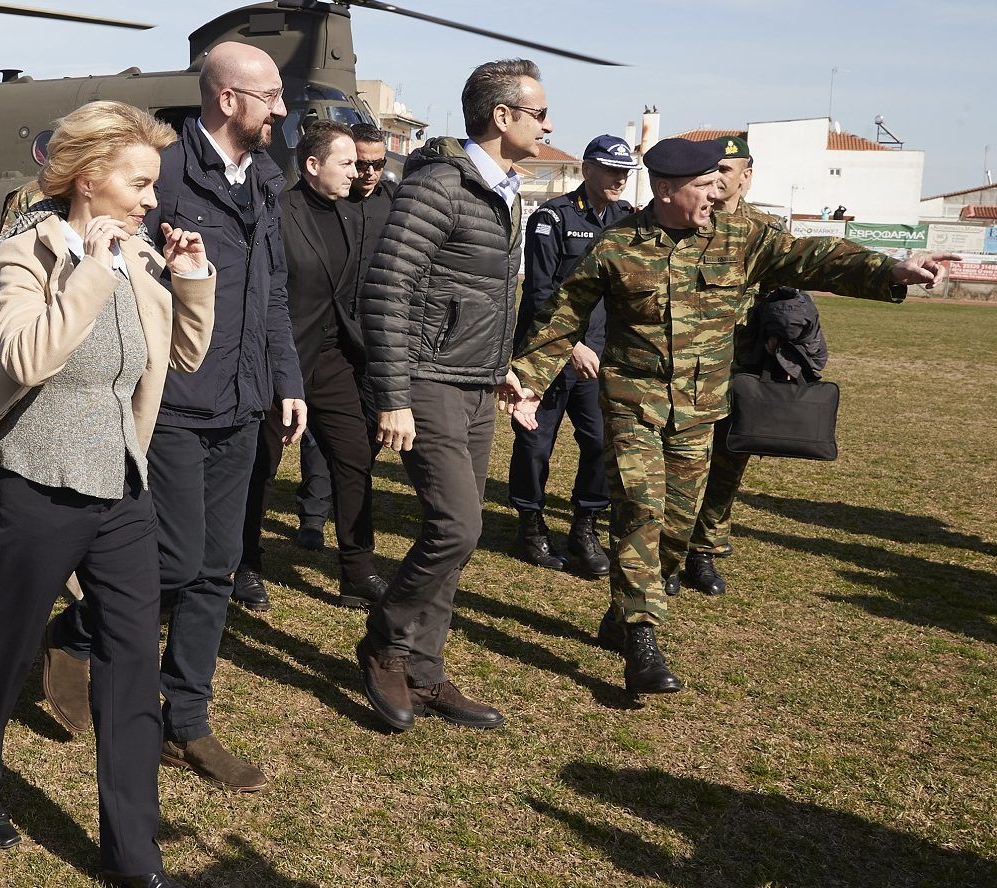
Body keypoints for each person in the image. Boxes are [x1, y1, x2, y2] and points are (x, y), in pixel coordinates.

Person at [503, 137, 951, 696]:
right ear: (666, 189)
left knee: (676, 526)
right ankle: (643, 641)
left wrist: (891, 269)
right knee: (641, 511)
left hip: (698, 411)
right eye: (704, 186)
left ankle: (623, 614)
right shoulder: (617, 245)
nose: (717, 194)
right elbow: (563, 313)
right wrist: (530, 378)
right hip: (632, 405)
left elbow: (816, 257)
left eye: (720, 183)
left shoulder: (743, 238)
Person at [0, 100, 215, 888]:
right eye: (139, 183)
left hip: (122, 487)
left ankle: (134, 855)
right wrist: (94, 270)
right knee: (3, 641)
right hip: (40, 486)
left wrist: (193, 279)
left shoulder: (139, 254)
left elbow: (183, 356)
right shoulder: (24, 254)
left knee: (133, 667)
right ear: (89, 179)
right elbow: (29, 357)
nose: (152, 199)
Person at [41, 42, 304, 793]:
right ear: (229, 99)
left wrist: (285, 379)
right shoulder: (163, 173)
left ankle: (185, 722)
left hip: (243, 404)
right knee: (174, 563)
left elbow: (274, 292)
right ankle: (77, 633)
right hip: (174, 402)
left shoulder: (267, 181)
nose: (281, 110)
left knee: (217, 572)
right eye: (271, 97)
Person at [355, 59, 552, 733]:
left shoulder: (506, 191)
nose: (547, 124)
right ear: (502, 117)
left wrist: (499, 365)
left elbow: (481, 296)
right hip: (426, 383)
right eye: (539, 113)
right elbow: (388, 290)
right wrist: (393, 395)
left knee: (459, 539)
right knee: (457, 526)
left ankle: (426, 673)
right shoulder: (439, 185)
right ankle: (384, 641)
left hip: (474, 385)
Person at [237, 120, 387, 611]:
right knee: (262, 468)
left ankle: (358, 569)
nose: (357, 172)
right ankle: (245, 564)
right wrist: (278, 372)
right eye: (347, 163)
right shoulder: (279, 213)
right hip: (281, 360)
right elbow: (265, 295)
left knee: (353, 458)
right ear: (312, 165)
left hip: (333, 359)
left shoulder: (350, 214)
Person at [507, 134, 636, 577]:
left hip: (598, 354)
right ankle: (530, 523)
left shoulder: (627, 219)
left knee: (600, 440)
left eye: (625, 172)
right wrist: (572, 345)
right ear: (587, 168)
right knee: (535, 442)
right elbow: (542, 290)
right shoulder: (553, 217)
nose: (620, 179)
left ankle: (585, 525)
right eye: (612, 170)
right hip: (549, 351)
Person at [680, 135, 784, 596]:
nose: (718, 177)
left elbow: (788, 296)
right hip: (685, 364)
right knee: (679, 465)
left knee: (729, 462)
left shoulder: (766, 229)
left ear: (747, 176)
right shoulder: (684, 219)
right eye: (713, 167)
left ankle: (703, 551)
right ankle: (664, 553)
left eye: (728, 168)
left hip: (742, 366)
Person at [292, 121, 395, 552]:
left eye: (375, 165)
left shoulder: (389, 204)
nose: (364, 174)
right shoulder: (307, 207)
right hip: (307, 345)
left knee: (356, 446)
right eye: (355, 163)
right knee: (295, 449)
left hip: (359, 343)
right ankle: (307, 521)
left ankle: (356, 556)